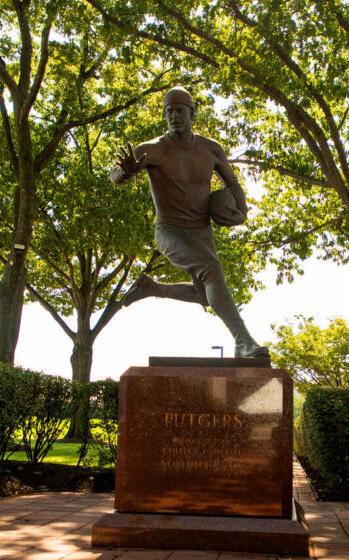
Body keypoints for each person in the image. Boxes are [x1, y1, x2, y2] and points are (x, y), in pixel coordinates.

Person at [110, 85, 269, 359]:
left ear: (191, 112)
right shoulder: (152, 150)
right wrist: (124, 173)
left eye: (179, 110)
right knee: (212, 269)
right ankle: (244, 341)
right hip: (170, 231)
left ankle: (151, 287)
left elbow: (232, 183)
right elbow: (115, 175)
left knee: (209, 295)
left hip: (201, 231)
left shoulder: (210, 149)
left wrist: (241, 209)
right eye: (168, 111)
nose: (174, 116)